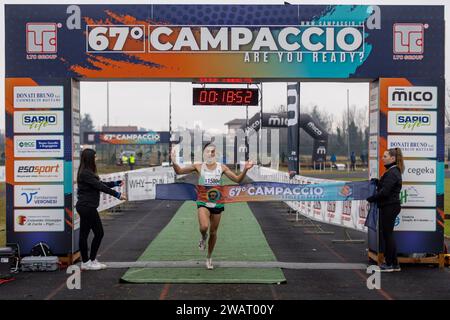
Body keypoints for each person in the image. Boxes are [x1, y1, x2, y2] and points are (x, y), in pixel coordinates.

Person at [171, 143, 254, 270]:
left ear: (216, 153)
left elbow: (237, 180)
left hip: (217, 202)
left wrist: (246, 169)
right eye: (208, 151)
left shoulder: (222, 168)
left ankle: (209, 258)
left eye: (213, 151)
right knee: (204, 227)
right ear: (204, 153)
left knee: (213, 232)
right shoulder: (198, 166)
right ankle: (203, 237)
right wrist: (173, 162)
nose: (210, 153)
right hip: (203, 201)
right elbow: (179, 171)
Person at [76, 148, 127, 271]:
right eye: (94, 157)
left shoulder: (86, 172)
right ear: (89, 159)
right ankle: (91, 261)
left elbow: (99, 184)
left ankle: (86, 261)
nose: (96, 159)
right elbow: (99, 186)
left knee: (84, 235)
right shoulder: (86, 173)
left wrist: (115, 183)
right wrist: (118, 195)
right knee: (99, 233)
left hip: (86, 206)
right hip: (87, 207)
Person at [366, 148, 404, 272]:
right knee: (388, 235)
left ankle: (390, 264)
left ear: (392, 159)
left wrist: (371, 198)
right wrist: (377, 182)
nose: (383, 158)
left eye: (385, 156)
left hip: (390, 206)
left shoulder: (392, 172)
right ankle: (394, 264)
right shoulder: (392, 171)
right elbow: (385, 187)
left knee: (388, 235)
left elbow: (385, 192)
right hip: (389, 205)